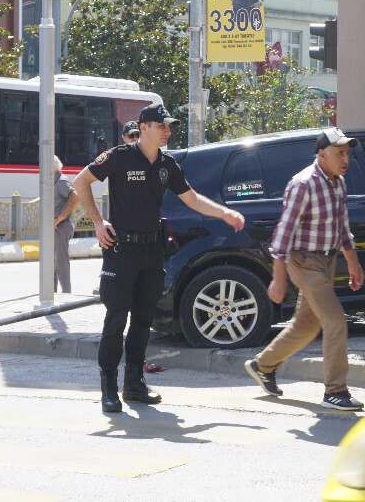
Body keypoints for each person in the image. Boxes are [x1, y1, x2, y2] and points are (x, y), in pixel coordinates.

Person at [74, 103, 245, 413]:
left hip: (151, 252)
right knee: (115, 321)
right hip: (121, 250)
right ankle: (109, 388)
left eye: (169, 126)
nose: (168, 131)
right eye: (163, 126)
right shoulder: (118, 157)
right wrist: (98, 221)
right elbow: (80, 181)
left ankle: (134, 385)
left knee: (142, 322)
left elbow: (191, 198)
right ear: (145, 128)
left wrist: (225, 213)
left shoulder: (168, 165)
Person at [244, 128, 365, 410]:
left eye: (347, 153)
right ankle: (335, 391)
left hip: (327, 261)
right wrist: (278, 279)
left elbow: (342, 228)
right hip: (303, 261)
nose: (346, 159)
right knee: (335, 321)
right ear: (321, 154)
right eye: (340, 153)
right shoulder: (303, 184)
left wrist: (353, 262)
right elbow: (283, 234)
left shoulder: (338, 183)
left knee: (306, 325)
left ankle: (263, 365)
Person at [52, 155, 79, 294]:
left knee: (61, 265)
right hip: (55, 228)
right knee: (51, 265)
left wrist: (61, 217)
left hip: (60, 228)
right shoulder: (53, 182)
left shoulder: (61, 182)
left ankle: (66, 297)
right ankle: (51, 296)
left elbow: (75, 198)